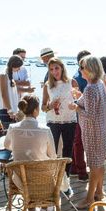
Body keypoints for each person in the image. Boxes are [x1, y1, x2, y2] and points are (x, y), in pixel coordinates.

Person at [5, 94, 61, 211]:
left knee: (26, 172)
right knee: (46, 168)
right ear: (36, 111)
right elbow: (53, 156)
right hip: (42, 179)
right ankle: (45, 207)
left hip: (21, 178)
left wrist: (22, 148)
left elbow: (7, 146)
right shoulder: (45, 130)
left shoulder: (12, 128)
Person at [69, 55, 106, 209]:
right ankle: (99, 192)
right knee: (99, 163)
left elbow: (90, 115)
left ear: (90, 69)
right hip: (101, 129)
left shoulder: (91, 88)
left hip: (92, 131)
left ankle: (89, 198)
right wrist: (80, 98)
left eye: (82, 67)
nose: (80, 70)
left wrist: (76, 107)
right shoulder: (100, 84)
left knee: (93, 165)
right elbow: (95, 106)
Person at [41, 57, 77, 185]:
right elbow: (43, 107)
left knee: (68, 150)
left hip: (70, 120)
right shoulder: (47, 86)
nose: (54, 71)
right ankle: (53, 178)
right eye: (51, 69)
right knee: (52, 150)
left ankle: (66, 178)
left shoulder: (72, 82)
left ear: (62, 68)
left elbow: (78, 99)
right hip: (53, 121)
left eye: (56, 68)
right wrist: (50, 105)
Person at [70, 50, 91, 181]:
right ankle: (81, 171)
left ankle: (73, 168)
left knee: (76, 142)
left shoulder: (78, 76)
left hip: (80, 112)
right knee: (79, 142)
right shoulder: (78, 78)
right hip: (80, 113)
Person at [0, 55, 23, 128]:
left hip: (12, 112)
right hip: (7, 112)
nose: (19, 69)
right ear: (13, 65)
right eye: (18, 67)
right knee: (10, 138)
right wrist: (10, 110)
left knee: (14, 138)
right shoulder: (3, 75)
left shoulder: (10, 76)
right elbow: (4, 94)